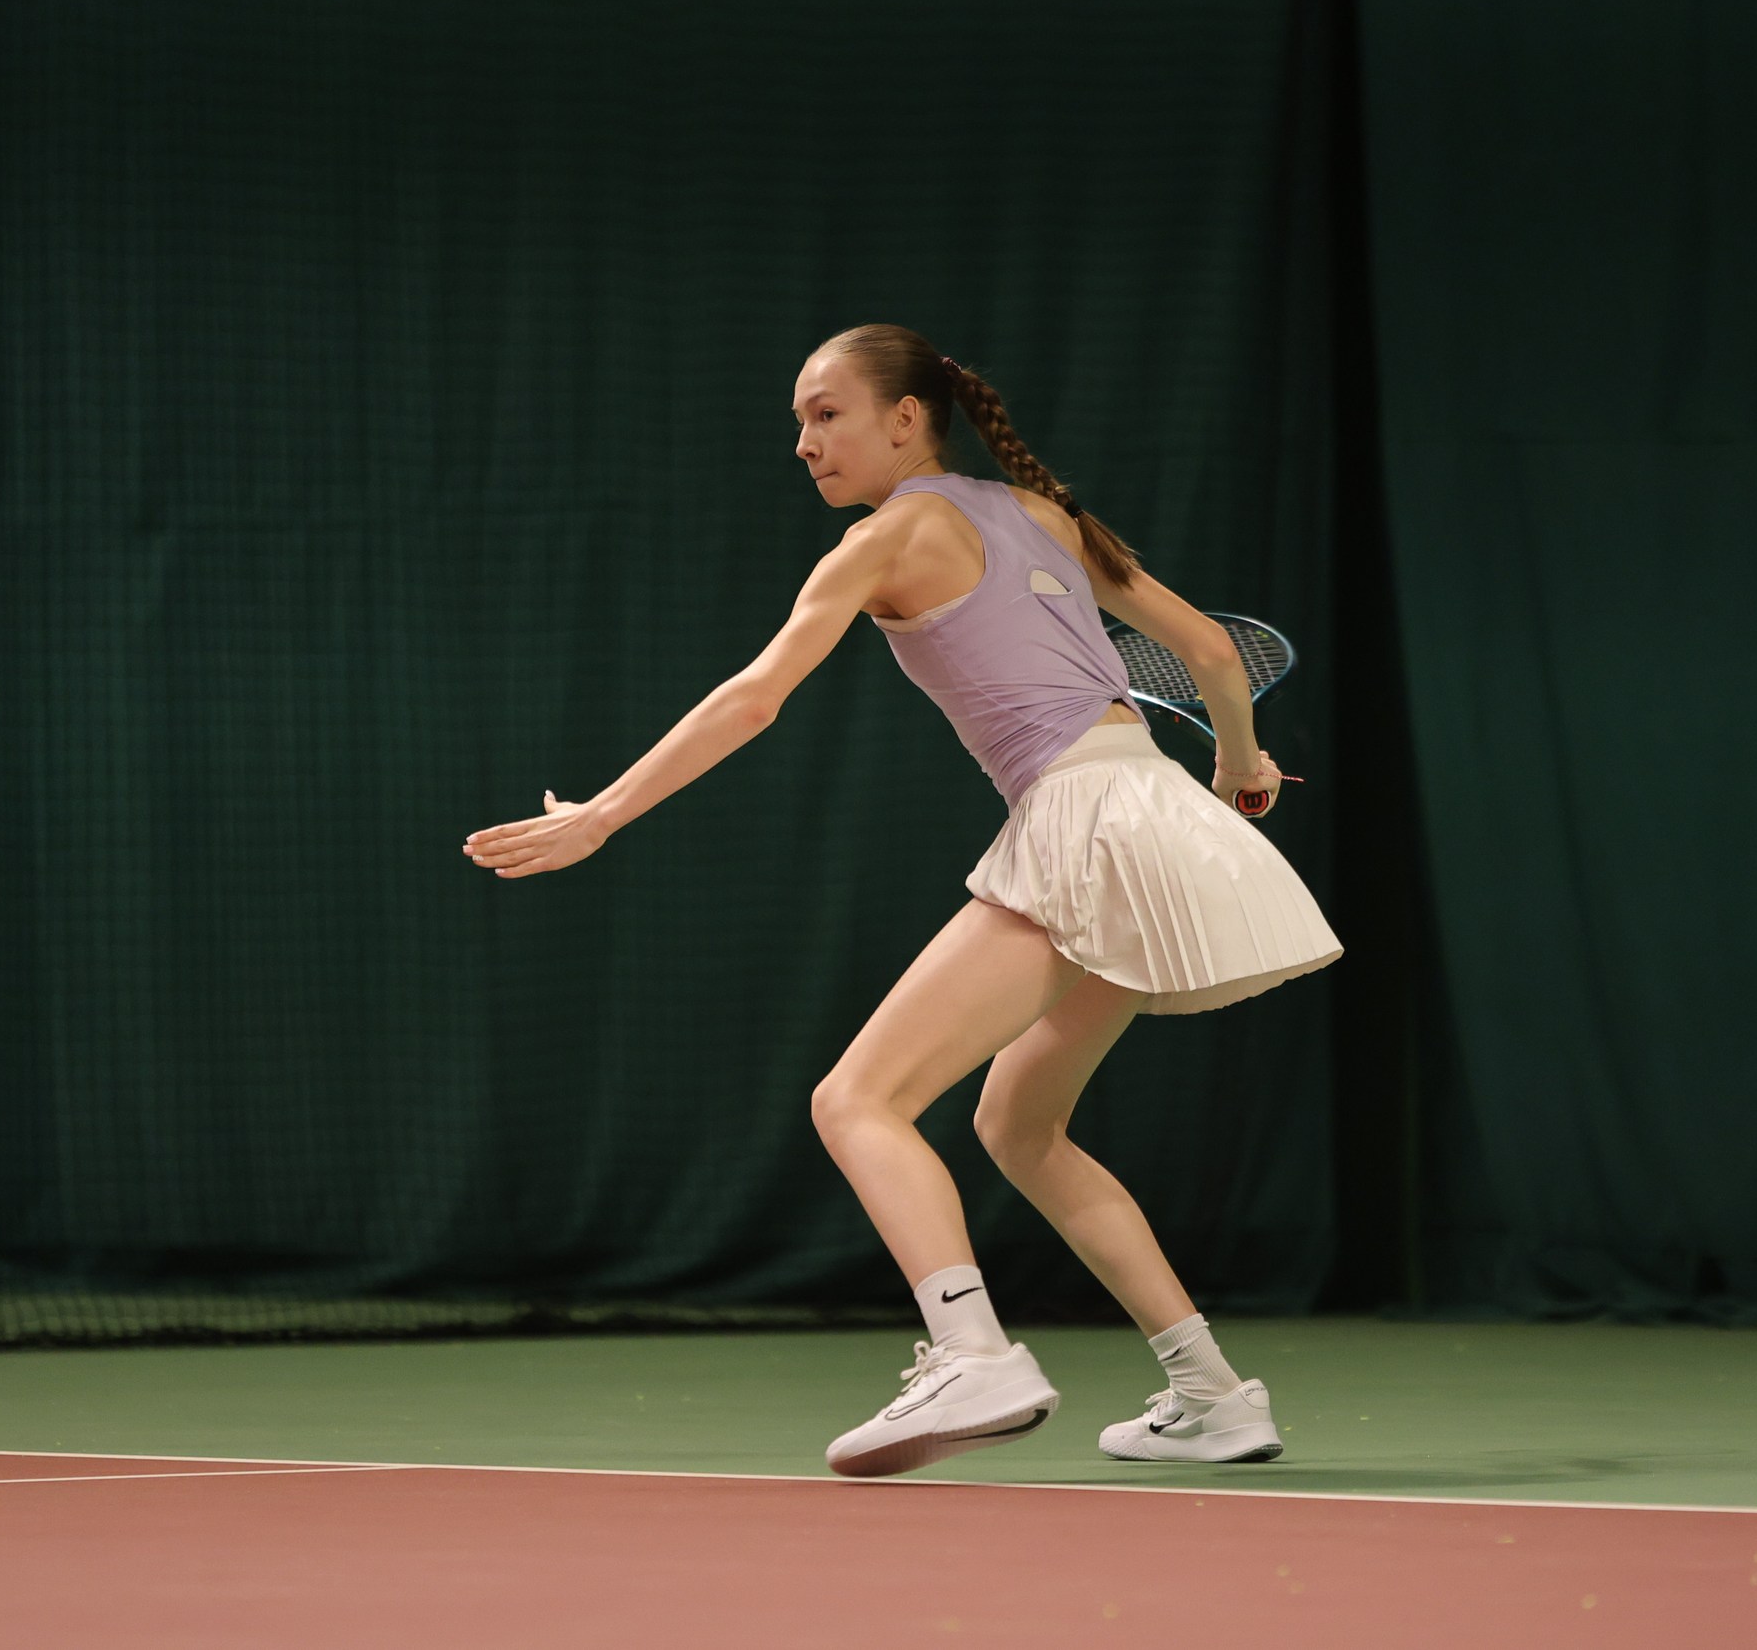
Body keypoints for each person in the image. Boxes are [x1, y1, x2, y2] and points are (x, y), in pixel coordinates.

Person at [462, 324, 1342, 1477]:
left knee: (857, 1101)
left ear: (907, 418)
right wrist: (1240, 762)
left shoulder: (881, 542)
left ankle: (973, 1353)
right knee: (1018, 1125)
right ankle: (1211, 1393)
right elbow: (1217, 657)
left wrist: (601, 815)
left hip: (1085, 824)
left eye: (825, 413)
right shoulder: (1046, 516)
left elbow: (754, 697)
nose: (804, 442)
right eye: (799, 420)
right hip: (1160, 818)